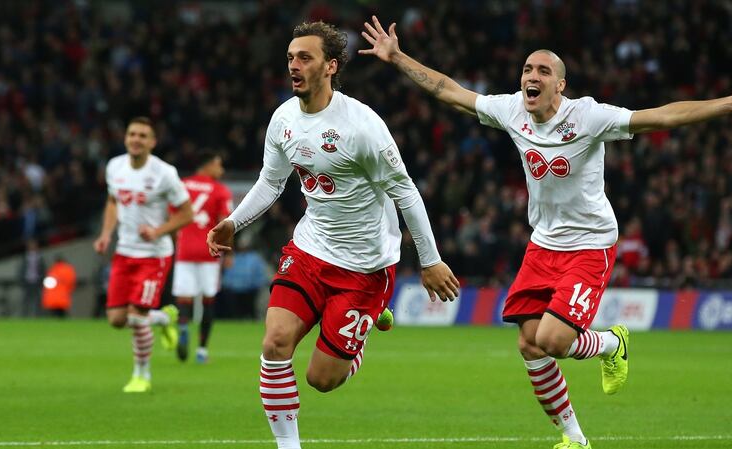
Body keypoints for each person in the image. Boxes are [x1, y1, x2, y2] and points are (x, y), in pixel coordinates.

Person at [360, 16, 732, 449]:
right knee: (529, 344)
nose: (532, 76)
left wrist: (727, 104)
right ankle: (575, 438)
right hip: (543, 243)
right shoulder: (510, 111)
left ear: (561, 85)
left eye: (544, 71)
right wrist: (396, 57)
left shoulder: (588, 117)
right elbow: (448, 91)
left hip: (589, 244)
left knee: (553, 340)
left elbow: (660, 117)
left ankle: (610, 344)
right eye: (528, 69)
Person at [206, 21, 460, 449]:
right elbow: (271, 182)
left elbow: (406, 192)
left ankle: (358, 336)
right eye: (290, 57)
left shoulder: (362, 127)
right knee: (275, 342)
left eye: (304, 57)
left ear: (330, 66)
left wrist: (430, 260)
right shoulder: (283, 119)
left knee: (321, 379)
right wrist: (234, 222)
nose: (294, 65)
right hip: (310, 250)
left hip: (365, 267)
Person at [93, 116, 194, 393]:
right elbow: (113, 201)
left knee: (136, 317)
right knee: (116, 319)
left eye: (142, 135)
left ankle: (142, 374)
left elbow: (188, 213)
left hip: (154, 255)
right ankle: (164, 318)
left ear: (152, 142)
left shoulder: (164, 173)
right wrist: (105, 235)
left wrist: (160, 230)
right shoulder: (115, 166)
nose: (136, 139)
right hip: (124, 252)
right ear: (126, 138)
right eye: (132, 134)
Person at [171, 150, 233, 363]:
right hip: (210, 251)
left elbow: (173, 216)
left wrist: (174, 243)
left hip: (185, 250)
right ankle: (202, 351)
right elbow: (224, 223)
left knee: (184, 298)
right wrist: (228, 250)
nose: (221, 170)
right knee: (208, 299)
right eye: (219, 165)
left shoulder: (182, 185)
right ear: (209, 165)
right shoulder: (220, 190)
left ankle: (182, 327)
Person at [16, 238, 45, 317]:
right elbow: (21, 270)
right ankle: (25, 317)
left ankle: (38, 318)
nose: (33, 247)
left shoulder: (40, 257)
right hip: (27, 282)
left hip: (37, 282)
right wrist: (21, 281)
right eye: (31, 245)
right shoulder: (25, 257)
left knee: (39, 301)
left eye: (34, 245)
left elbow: (43, 270)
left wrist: (42, 280)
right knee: (26, 301)